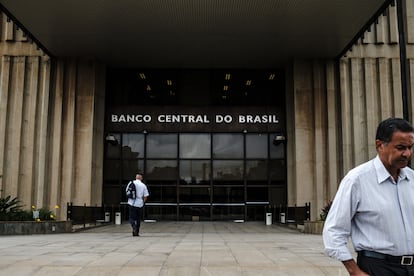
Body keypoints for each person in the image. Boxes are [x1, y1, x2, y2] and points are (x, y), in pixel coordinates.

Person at [323, 117, 414, 275]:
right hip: (377, 267)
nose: (407, 153)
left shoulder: (412, 179)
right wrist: (354, 271)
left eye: (410, 147)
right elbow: (334, 231)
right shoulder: (357, 180)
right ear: (380, 145)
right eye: (400, 147)